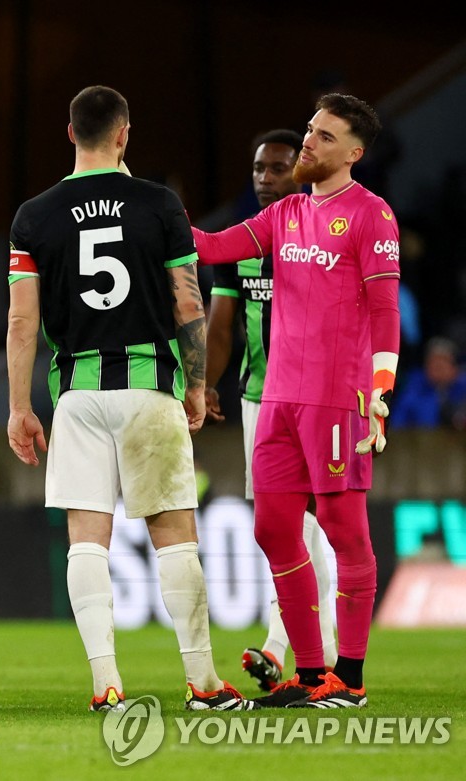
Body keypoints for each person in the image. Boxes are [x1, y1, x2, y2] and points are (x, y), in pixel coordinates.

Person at [6, 85, 245, 712]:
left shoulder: (34, 215)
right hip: (147, 388)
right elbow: (188, 302)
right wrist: (196, 384)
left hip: (79, 394)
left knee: (86, 537)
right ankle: (203, 683)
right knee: (174, 535)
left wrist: (18, 406)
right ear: (124, 134)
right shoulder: (159, 204)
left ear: (70, 133)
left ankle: (105, 684)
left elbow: (21, 322)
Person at [192, 93, 401, 708]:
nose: (309, 143)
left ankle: (352, 677)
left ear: (354, 154)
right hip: (277, 400)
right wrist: (155, 216)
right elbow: (211, 247)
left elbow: (386, 311)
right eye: (311, 131)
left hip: (338, 401)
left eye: (325, 137)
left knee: (344, 532)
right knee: (273, 528)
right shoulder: (285, 214)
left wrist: (381, 389)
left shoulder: (371, 216)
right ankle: (311, 675)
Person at [205, 129, 337, 690]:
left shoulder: (320, 235)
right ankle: (323, 642)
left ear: (300, 172)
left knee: (302, 523)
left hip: (316, 400)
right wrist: (205, 385)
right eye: (259, 168)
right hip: (258, 401)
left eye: (278, 168)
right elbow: (221, 326)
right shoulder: (245, 243)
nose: (264, 178)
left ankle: (281, 645)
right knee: (288, 526)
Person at [388, 337, 466, 429]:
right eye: (434, 362)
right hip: (419, 441)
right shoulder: (413, 389)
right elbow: (397, 423)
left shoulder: (463, 389)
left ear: (455, 368)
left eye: (444, 362)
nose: (438, 367)